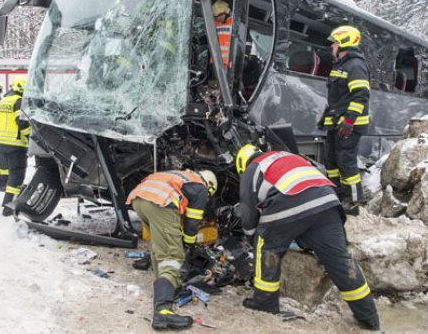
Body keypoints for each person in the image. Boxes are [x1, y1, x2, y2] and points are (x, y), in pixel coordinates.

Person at [235, 144, 380, 331]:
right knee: (341, 261)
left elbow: (248, 213)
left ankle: (265, 302)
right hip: (327, 201)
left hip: (290, 199)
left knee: (266, 248)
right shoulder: (286, 156)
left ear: (242, 164)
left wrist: (252, 238)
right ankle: (368, 316)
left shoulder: (253, 168)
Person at [126, 169, 218, 331]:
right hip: (161, 204)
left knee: (160, 247)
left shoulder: (182, 175)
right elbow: (192, 222)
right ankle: (163, 311)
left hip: (139, 199)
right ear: (210, 186)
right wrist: (189, 243)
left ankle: (170, 288)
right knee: (172, 256)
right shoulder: (201, 187)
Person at [318, 25, 370, 215]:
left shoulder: (355, 66)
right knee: (331, 160)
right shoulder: (340, 66)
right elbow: (338, 98)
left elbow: (361, 96)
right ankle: (337, 193)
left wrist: (349, 121)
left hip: (350, 126)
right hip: (337, 123)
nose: (332, 47)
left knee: (346, 162)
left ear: (343, 44)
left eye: (334, 44)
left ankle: (354, 201)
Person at [0, 76, 31, 216]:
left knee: (11, 175)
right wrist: (30, 138)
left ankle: (7, 202)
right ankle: (8, 207)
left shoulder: (2, 101)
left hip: (1, 145)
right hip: (15, 144)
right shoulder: (18, 101)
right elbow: (22, 123)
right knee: (17, 175)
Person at [212, 0, 233, 70]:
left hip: (228, 65)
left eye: (220, 15)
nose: (218, 18)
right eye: (216, 16)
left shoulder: (234, 23)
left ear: (226, 13)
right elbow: (210, 38)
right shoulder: (214, 24)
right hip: (214, 64)